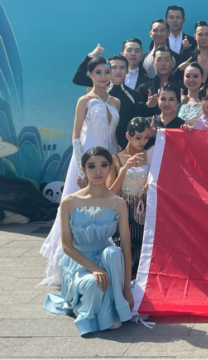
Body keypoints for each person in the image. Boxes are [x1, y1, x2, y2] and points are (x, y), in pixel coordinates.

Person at [40, 57, 121, 286]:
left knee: (101, 210)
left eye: (107, 72)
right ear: (90, 75)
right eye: (98, 72)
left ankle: (99, 258)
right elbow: (76, 136)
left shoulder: (116, 102)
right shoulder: (84, 100)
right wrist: (82, 167)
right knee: (77, 212)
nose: (104, 76)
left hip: (108, 160)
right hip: (87, 159)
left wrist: (116, 162)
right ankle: (69, 266)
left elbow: (113, 136)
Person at [43, 147, 134, 335]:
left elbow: (126, 245)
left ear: (110, 167)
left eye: (103, 165)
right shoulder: (69, 202)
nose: (98, 171)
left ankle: (115, 303)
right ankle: (95, 311)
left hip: (109, 262)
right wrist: (94, 268)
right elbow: (67, 246)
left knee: (113, 251)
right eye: (92, 166)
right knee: (94, 283)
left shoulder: (118, 203)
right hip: (80, 263)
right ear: (83, 169)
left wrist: (127, 289)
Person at [72, 50, 143, 150]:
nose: (118, 71)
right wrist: (91, 56)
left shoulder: (130, 96)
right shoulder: (89, 97)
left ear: (127, 70)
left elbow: (135, 123)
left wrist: (121, 146)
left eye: (122, 67)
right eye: (113, 68)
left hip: (119, 149)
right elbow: (78, 79)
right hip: (90, 151)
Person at [109, 117, 151, 277]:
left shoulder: (151, 156)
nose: (142, 142)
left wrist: (150, 187)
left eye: (146, 138)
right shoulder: (115, 158)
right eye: (138, 137)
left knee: (143, 256)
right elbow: (110, 193)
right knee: (124, 255)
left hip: (145, 212)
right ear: (128, 135)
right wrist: (125, 168)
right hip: (123, 213)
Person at [143, 47, 179, 116]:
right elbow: (137, 114)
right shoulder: (144, 88)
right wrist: (147, 106)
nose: (163, 64)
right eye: (159, 60)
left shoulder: (181, 86)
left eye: (167, 60)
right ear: (153, 63)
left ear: (172, 62)